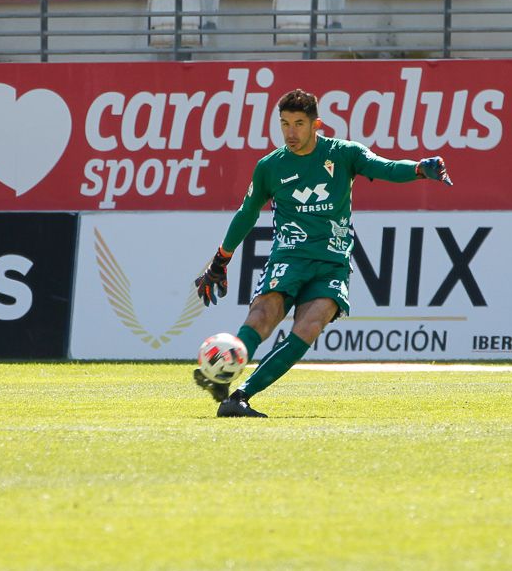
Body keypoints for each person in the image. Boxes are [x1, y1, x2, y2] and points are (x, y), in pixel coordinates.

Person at [193, 88, 454, 417]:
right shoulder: (270, 167)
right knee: (262, 317)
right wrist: (221, 260)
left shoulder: (343, 154)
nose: (291, 132)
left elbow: (384, 167)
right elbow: (247, 213)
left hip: (332, 263)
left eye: (299, 123)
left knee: (309, 325)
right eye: (285, 123)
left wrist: (418, 169)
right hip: (288, 257)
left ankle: (239, 397)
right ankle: (222, 372)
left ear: (317, 124)